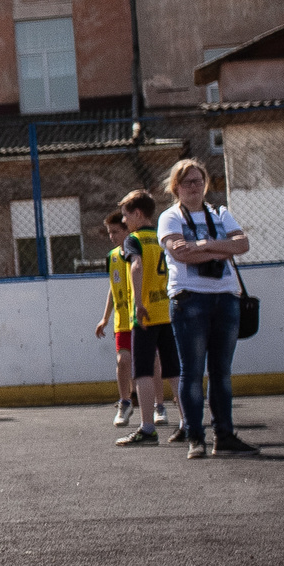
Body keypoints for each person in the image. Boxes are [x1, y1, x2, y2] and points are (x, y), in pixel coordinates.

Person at [160, 159, 255, 458]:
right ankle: (195, 438)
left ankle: (224, 435)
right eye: (187, 181)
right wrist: (217, 248)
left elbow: (242, 245)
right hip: (190, 298)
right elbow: (180, 253)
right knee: (192, 371)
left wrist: (201, 246)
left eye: (199, 181)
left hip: (225, 297)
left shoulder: (220, 213)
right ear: (176, 187)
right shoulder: (170, 217)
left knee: (221, 372)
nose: (194, 186)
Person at [114, 190, 177, 445]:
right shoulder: (162, 238)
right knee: (174, 371)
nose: (124, 220)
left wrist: (139, 303)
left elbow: (137, 266)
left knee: (142, 373)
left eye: (126, 215)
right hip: (167, 311)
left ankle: (148, 428)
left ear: (138, 214)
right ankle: (187, 423)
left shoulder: (134, 240)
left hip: (146, 316)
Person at [96, 209, 138, 426]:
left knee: (152, 363)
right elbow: (113, 288)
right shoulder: (112, 257)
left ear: (126, 230)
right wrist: (105, 318)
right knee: (123, 360)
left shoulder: (137, 253)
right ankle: (125, 402)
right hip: (122, 319)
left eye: (115, 232)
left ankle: (161, 404)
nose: (112, 236)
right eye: (109, 233)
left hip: (141, 317)